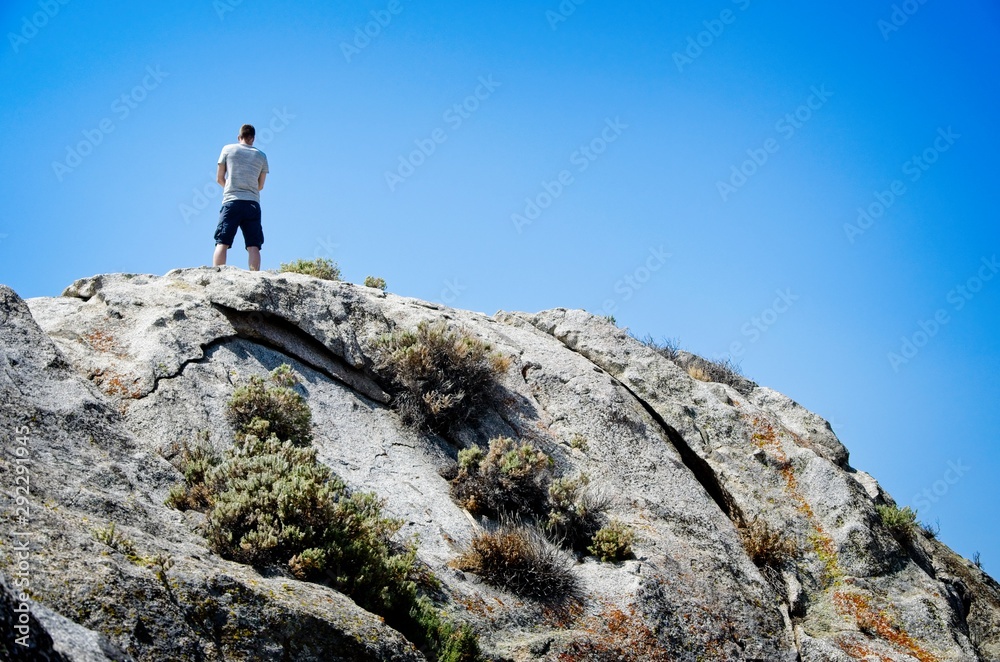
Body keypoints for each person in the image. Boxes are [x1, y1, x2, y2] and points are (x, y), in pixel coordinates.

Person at [213, 124, 269, 270]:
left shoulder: (227, 149)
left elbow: (219, 178)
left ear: (239, 137)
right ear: (253, 138)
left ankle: (217, 273)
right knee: (253, 245)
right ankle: (255, 275)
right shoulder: (261, 156)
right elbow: (261, 185)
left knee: (222, 241)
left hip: (231, 201)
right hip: (252, 203)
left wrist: (230, 188)